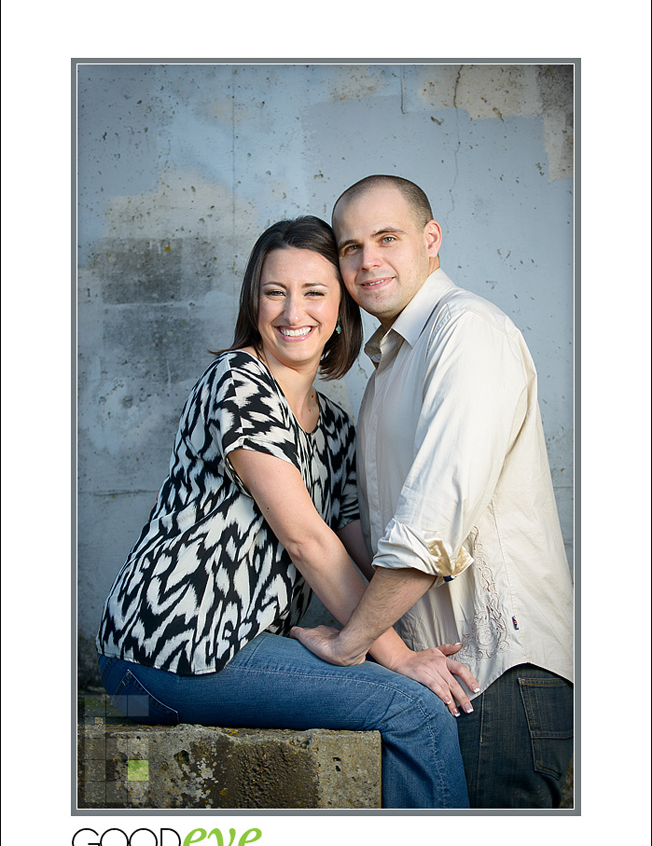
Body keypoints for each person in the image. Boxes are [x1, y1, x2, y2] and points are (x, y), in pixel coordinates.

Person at [96, 214, 476, 809]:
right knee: (412, 707)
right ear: (255, 301)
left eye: (315, 292)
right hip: (160, 656)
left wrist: (420, 622)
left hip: (233, 650)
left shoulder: (337, 427)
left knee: (415, 693)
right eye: (275, 292)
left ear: (341, 310)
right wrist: (397, 656)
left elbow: (357, 545)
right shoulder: (238, 383)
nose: (292, 312)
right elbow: (307, 541)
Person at [291, 177, 574, 809]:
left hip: (502, 675)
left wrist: (350, 639)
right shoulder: (385, 373)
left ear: (431, 239)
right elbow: (367, 523)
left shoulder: (466, 332)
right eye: (350, 247)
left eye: (387, 238)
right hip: (440, 676)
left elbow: (433, 520)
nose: (368, 262)